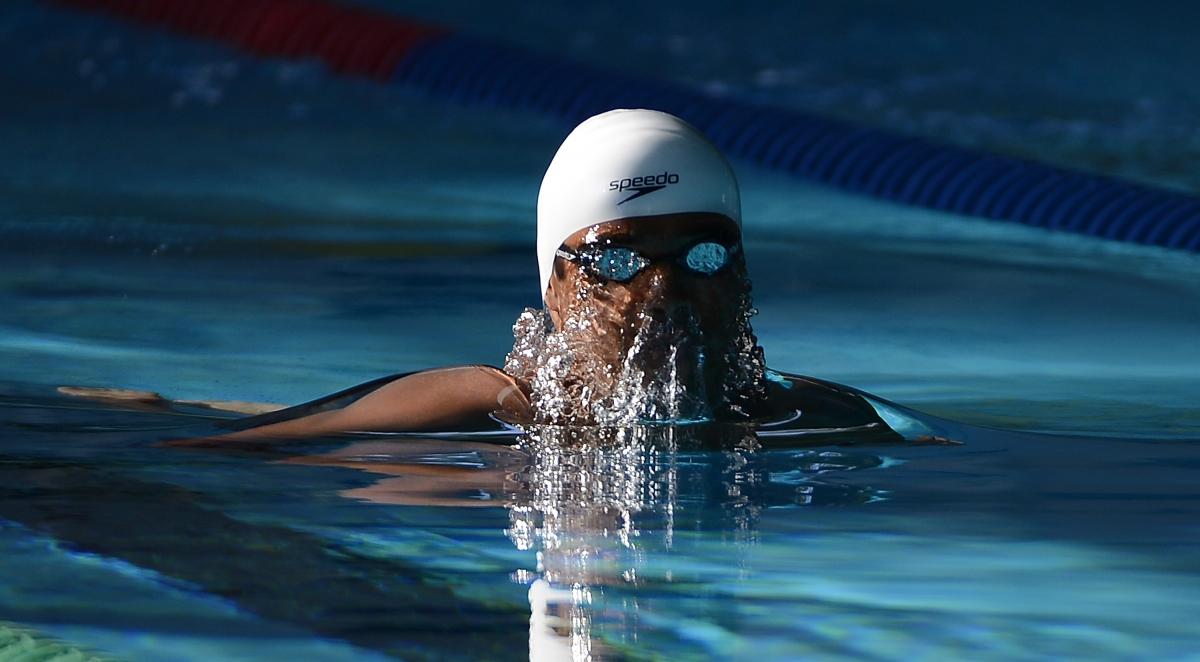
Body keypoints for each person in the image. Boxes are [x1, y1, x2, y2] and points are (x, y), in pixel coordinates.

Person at [65, 109, 931, 444]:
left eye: (702, 254)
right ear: (556, 284)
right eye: (619, 259)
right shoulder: (482, 405)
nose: (661, 290)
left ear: (740, 275)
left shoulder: (804, 411)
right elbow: (202, 463)